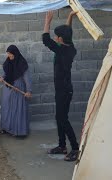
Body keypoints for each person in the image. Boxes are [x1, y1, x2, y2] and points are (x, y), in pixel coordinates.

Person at [42, 11, 79, 161]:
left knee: (63, 119)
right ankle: (62, 146)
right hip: (63, 89)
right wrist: (70, 16)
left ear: (60, 39)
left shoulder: (61, 50)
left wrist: (47, 21)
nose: (55, 38)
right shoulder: (69, 46)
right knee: (59, 117)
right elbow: (68, 32)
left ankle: (75, 148)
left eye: (57, 37)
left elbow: (45, 39)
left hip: (64, 90)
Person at [0, 45, 32, 137]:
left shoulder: (22, 63)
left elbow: (27, 78)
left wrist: (29, 90)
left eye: (10, 54)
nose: (9, 56)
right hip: (8, 88)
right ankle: (6, 128)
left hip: (18, 88)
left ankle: (19, 132)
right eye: (8, 54)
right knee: (7, 108)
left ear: (15, 54)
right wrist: (2, 78)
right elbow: (6, 73)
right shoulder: (8, 62)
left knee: (17, 109)